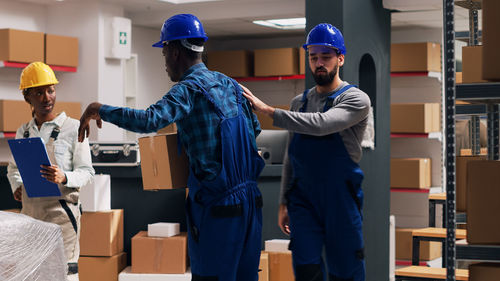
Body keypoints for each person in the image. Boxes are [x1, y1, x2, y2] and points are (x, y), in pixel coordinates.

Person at [77, 14, 265, 281]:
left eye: (164, 52)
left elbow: (149, 120)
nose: (164, 62)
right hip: (252, 205)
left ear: (175, 51)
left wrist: (100, 109)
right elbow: (253, 130)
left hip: (219, 209)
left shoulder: (187, 90)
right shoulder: (231, 85)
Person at [242, 23, 371, 281]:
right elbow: (292, 154)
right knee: (305, 269)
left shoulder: (356, 99)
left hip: (340, 200)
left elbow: (322, 125)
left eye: (326, 56)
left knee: (346, 270)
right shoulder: (298, 103)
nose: (319, 63)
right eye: (313, 57)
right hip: (303, 201)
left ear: (340, 58)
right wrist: (283, 201)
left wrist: (268, 111)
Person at [7, 61, 95, 280]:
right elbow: (13, 168)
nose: (46, 98)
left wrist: (64, 176)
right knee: (34, 274)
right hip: (31, 218)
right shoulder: (23, 132)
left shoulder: (74, 127)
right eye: (39, 93)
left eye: (50, 90)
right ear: (27, 97)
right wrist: (17, 185)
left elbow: (87, 172)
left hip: (62, 218)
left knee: (64, 275)